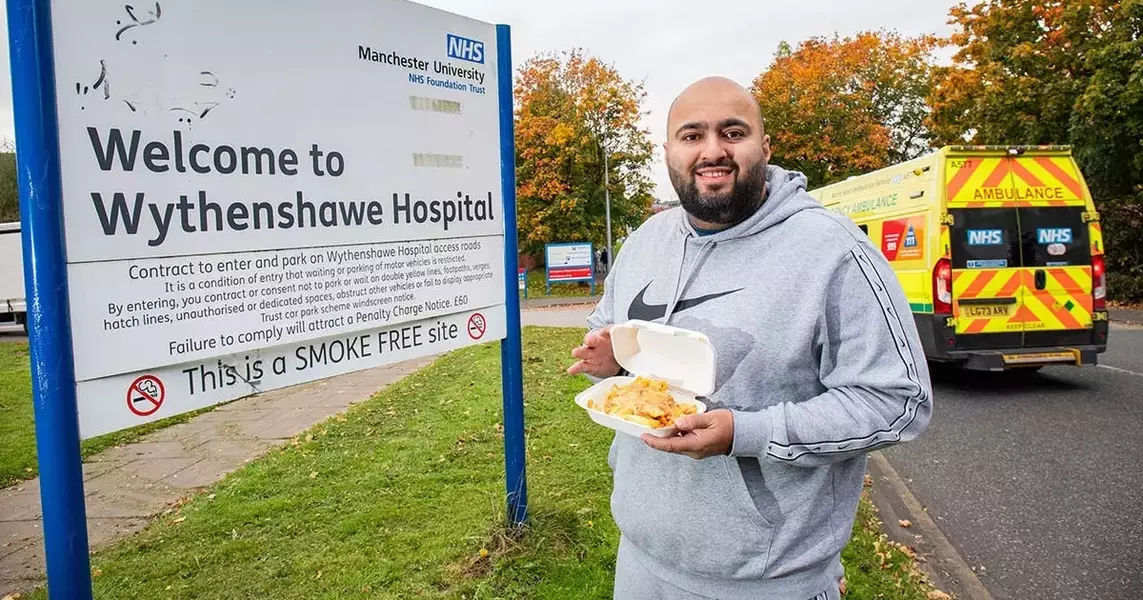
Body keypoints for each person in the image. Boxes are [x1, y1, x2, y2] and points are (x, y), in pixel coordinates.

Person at [567, 76, 933, 600]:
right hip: (640, 559)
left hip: (767, 580)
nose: (712, 150)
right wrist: (612, 358)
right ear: (668, 150)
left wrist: (747, 432)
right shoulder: (646, 240)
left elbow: (898, 403)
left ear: (765, 145)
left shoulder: (833, 252)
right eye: (691, 135)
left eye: (732, 132)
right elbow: (607, 327)